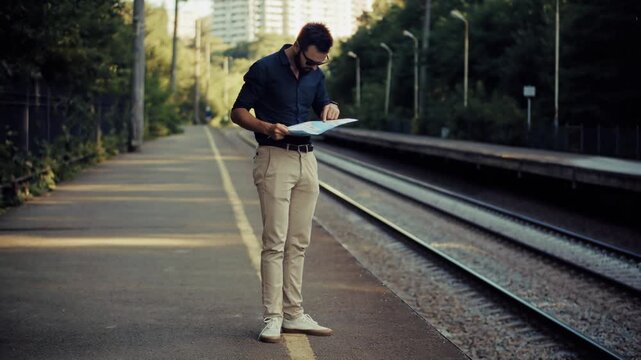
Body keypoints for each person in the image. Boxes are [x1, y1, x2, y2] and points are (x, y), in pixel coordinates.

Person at [230, 22, 340, 343]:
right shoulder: (264, 68)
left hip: (308, 160)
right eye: (310, 61)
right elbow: (238, 112)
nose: (314, 67)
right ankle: (273, 317)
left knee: (299, 242)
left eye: (321, 63)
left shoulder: (316, 74)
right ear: (297, 46)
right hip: (274, 158)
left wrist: (330, 107)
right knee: (275, 241)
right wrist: (265, 126)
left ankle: (293, 313)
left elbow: (323, 102)